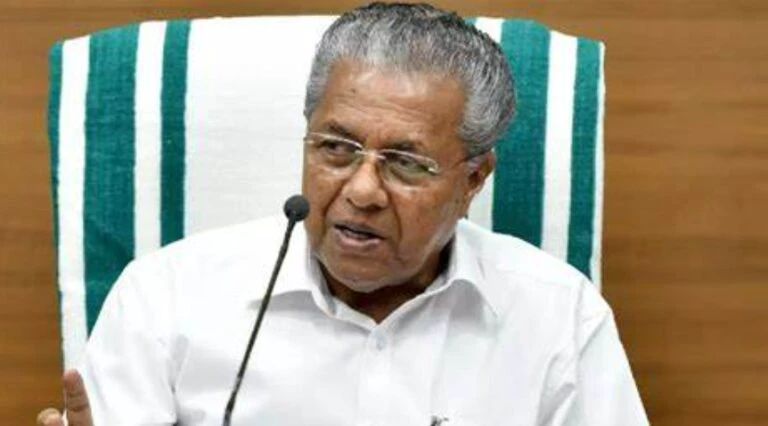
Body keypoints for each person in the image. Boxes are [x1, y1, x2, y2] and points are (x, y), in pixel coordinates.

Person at [38, 3, 648, 425]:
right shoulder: (167, 297)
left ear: (473, 179)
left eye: (405, 163)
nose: (362, 191)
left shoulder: (556, 315)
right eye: (336, 148)